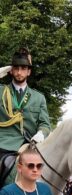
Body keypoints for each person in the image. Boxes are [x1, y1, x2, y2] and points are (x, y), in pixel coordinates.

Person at [0, 47, 50, 186]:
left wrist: (41, 133)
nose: (19, 72)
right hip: (4, 143)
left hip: (29, 144)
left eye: (23, 68)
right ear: (11, 71)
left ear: (29, 71)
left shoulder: (38, 97)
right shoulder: (2, 91)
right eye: (16, 68)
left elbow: (45, 124)